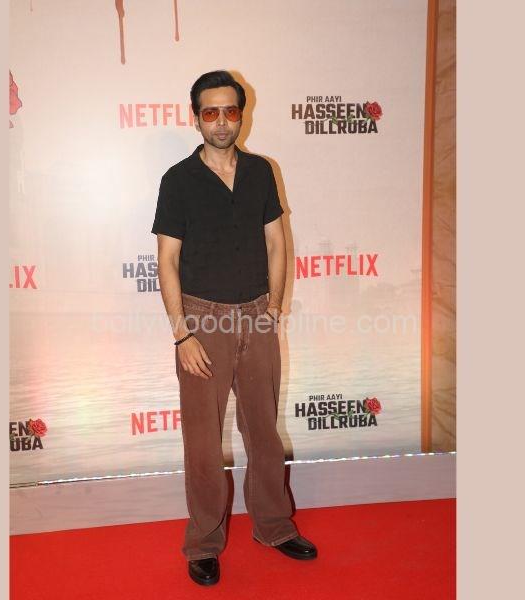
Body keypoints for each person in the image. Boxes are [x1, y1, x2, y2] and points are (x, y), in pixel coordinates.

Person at [150, 70, 317, 587]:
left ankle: (273, 526)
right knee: (203, 442)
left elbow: (277, 242)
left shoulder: (262, 171)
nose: (221, 121)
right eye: (210, 112)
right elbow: (167, 260)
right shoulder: (178, 180)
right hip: (202, 322)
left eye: (230, 111)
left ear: (241, 115)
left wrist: (275, 308)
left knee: (264, 432)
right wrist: (182, 334)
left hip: (258, 316)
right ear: (196, 117)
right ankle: (204, 542)